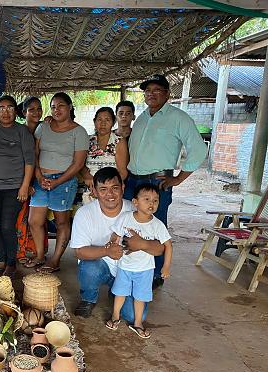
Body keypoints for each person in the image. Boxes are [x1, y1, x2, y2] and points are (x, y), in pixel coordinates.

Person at [125, 74, 207, 288]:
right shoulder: (142, 117)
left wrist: (178, 178)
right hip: (133, 181)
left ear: (167, 93)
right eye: (147, 91)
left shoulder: (178, 117)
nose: (151, 94)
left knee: (155, 227)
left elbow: (199, 150)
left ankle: (156, 274)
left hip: (157, 182)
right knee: (131, 224)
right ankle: (132, 269)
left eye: (156, 90)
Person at [70, 167, 165, 320]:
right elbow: (79, 252)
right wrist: (106, 251)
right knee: (89, 268)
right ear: (94, 191)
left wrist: (142, 244)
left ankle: (115, 292)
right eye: (103, 189)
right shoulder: (84, 213)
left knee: (134, 316)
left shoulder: (137, 209)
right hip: (102, 265)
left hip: (131, 270)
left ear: (123, 188)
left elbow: (160, 249)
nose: (110, 194)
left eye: (115, 188)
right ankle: (88, 298)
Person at [27, 92, 88, 273]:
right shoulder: (43, 127)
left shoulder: (79, 132)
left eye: (61, 105)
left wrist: (58, 181)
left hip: (64, 181)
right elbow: (35, 153)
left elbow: (78, 164)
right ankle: (40, 255)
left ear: (70, 107)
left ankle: (55, 260)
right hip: (41, 179)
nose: (56, 110)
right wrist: (38, 176)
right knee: (34, 221)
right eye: (53, 107)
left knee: (61, 222)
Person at [106, 183, 172, 339]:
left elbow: (168, 245)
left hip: (145, 269)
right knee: (120, 293)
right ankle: (115, 316)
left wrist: (166, 267)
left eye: (155, 200)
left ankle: (137, 323)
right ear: (135, 202)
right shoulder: (126, 218)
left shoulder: (157, 224)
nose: (151, 203)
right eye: (147, 199)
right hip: (125, 266)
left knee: (140, 297)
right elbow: (116, 234)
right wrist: (112, 244)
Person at [0, 95, 35, 277]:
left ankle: (11, 262)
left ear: (16, 111)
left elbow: (30, 161)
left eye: (10, 108)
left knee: (7, 225)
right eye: (2, 108)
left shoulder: (22, 131)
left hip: (15, 187)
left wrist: (25, 186)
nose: (5, 112)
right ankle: (1, 259)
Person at [16, 97, 44, 265]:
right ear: (24, 112)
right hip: (22, 180)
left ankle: (35, 251)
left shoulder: (45, 128)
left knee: (36, 220)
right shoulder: (19, 131)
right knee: (20, 217)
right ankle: (21, 251)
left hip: (40, 180)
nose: (36, 112)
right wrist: (25, 184)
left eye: (39, 108)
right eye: (31, 109)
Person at [80, 107, 128, 202]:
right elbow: (79, 164)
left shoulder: (119, 141)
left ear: (113, 122)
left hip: (111, 190)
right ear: (94, 122)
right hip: (90, 187)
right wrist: (88, 178)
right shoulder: (87, 140)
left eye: (107, 120)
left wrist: (105, 188)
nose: (103, 123)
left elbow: (123, 172)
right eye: (99, 120)